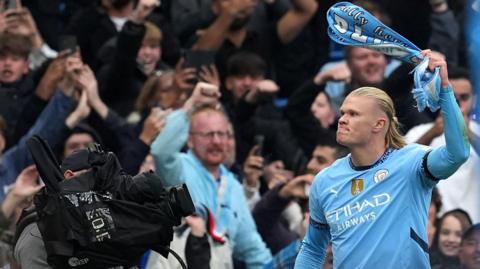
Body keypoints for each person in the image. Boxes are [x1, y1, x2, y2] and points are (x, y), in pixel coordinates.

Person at [294, 50, 470, 268]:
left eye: (353, 114)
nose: (342, 120)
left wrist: (445, 89)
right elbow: (312, 248)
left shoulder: (411, 163)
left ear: (379, 124)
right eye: (343, 112)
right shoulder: (324, 181)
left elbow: (458, 153)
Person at [150, 82, 272, 268]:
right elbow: (161, 151)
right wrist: (191, 106)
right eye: (208, 134)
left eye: (222, 134)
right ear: (190, 140)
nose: (216, 141)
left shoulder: (233, 186)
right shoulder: (178, 170)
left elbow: (252, 249)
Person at [405, 67, 480, 223]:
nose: (458, 103)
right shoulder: (419, 132)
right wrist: (432, 132)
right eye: (452, 96)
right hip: (431, 223)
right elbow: (400, 165)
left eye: (464, 97)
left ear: (474, 99)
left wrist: (467, 133)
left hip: (474, 225)